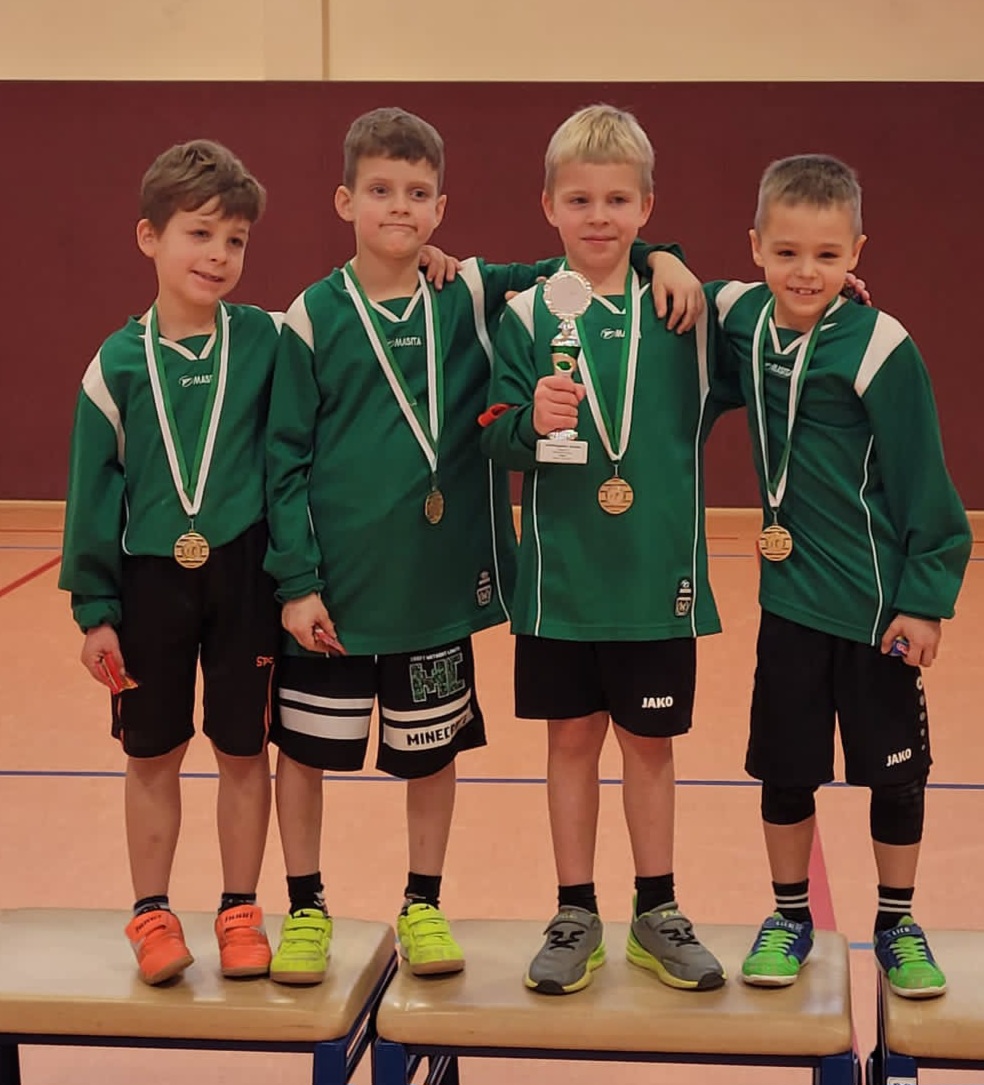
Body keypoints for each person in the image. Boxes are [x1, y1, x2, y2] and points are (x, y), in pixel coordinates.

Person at [263, 106, 700, 984]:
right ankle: (305, 903)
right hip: (335, 590)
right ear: (345, 200)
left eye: (416, 193)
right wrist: (296, 580)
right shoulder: (310, 316)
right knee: (304, 752)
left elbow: (582, 260)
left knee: (431, 756)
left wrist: (666, 255)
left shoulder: (468, 291)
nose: (398, 207)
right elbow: (283, 457)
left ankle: (422, 902)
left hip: (436, 586)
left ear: (441, 206)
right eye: (380, 190)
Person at [480, 104, 728, 996]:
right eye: (579, 199)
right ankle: (574, 910)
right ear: (548, 205)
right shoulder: (523, 315)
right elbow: (492, 432)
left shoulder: (685, 312)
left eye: (617, 200)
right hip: (561, 582)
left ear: (646, 207)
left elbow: (787, 319)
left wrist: (676, 260)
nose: (598, 217)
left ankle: (657, 909)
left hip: (656, 579)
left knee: (649, 747)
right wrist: (526, 422)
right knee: (570, 742)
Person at [714, 153, 972, 999]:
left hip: (874, 611)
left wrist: (923, 602)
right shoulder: (742, 318)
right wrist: (659, 258)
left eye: (826, 255)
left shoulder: (880, 346)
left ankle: (896, 922)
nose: (805, 271)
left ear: (856, 252)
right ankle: (789, 915)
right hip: (788, 603)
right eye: (786, 252)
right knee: (784, 769)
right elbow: (649, 272)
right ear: (755, 246)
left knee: (894, 773)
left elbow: (925, 485)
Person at [59, 140, 281, 985]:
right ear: (149, 236)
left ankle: (239, 909)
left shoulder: (264, 338)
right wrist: (95, 611)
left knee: (242, 749)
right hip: (148, 580)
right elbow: (91, 496)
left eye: (235, 240)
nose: (218, 255)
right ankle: (152, 912)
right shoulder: (114, 366)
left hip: (244, 573)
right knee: (151, 751)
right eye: (199, 234)